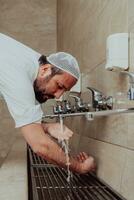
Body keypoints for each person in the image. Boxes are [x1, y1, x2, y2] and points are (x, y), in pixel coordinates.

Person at [0, 33, 95, 174]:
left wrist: (47, 127)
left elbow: (29, 119)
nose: (58, 96)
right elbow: (40, 146)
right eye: (59, 86)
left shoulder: (35, 67)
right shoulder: (20, 77)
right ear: (45, 70)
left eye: (64, 91)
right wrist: (79, 167)